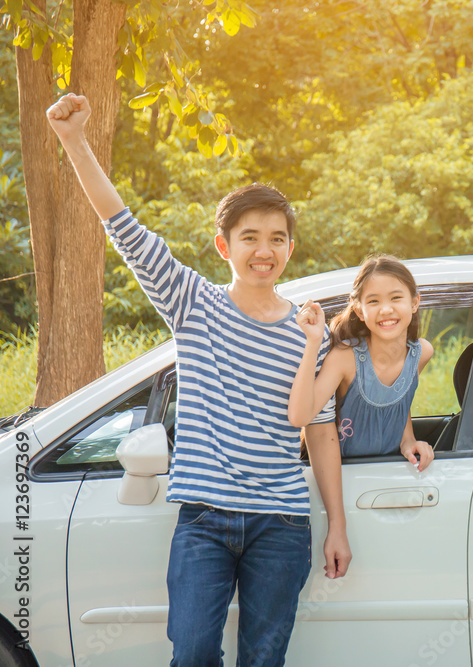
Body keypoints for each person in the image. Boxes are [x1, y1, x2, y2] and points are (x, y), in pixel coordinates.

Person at [46, 93, 352, 667]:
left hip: (282, 522)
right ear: (224, 246)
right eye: (251, 237)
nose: (265, 250)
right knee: (190, 653)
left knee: (264, 658)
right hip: (205, 520)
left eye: (277, 239)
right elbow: (125, 228)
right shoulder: (193, 303)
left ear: (291, 247)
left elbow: (320, 432)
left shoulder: (310, 331)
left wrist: (336, 525)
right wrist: (74, 141)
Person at [288, 255, 435, 469]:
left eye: (395, 298)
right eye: (374, 301)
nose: (386, 309)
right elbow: (300, 417)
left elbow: (400, 404)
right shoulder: (346, 358)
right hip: (340, 475)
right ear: (359, 311)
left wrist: (409, 441)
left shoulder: (421, 353)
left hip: (389, 473)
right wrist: (313, 341)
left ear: (414, 303)